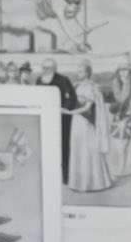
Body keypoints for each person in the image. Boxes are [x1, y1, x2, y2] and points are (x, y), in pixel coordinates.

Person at [68, 59, 115, 192]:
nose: (78, 73)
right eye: (78, 70)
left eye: (81, 71)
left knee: (88, 150)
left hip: (86, 123)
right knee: (78, 148)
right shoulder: (76, 86)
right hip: (76, 122)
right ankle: (78, 183)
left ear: (88, 73)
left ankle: (94, 183)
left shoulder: (93, 87)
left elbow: (87, 108)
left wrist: (70, 112)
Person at [40, 58, 79, 188]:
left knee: (63, 148)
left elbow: (72, 98)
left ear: (54, 69)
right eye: (43, 68)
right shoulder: (39, 80)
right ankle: (49, 177)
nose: (45, 70)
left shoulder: (63, 80)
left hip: (62, 120)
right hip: (45, 120)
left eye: (48, 68)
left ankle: (65, 177)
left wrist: (64, 109)